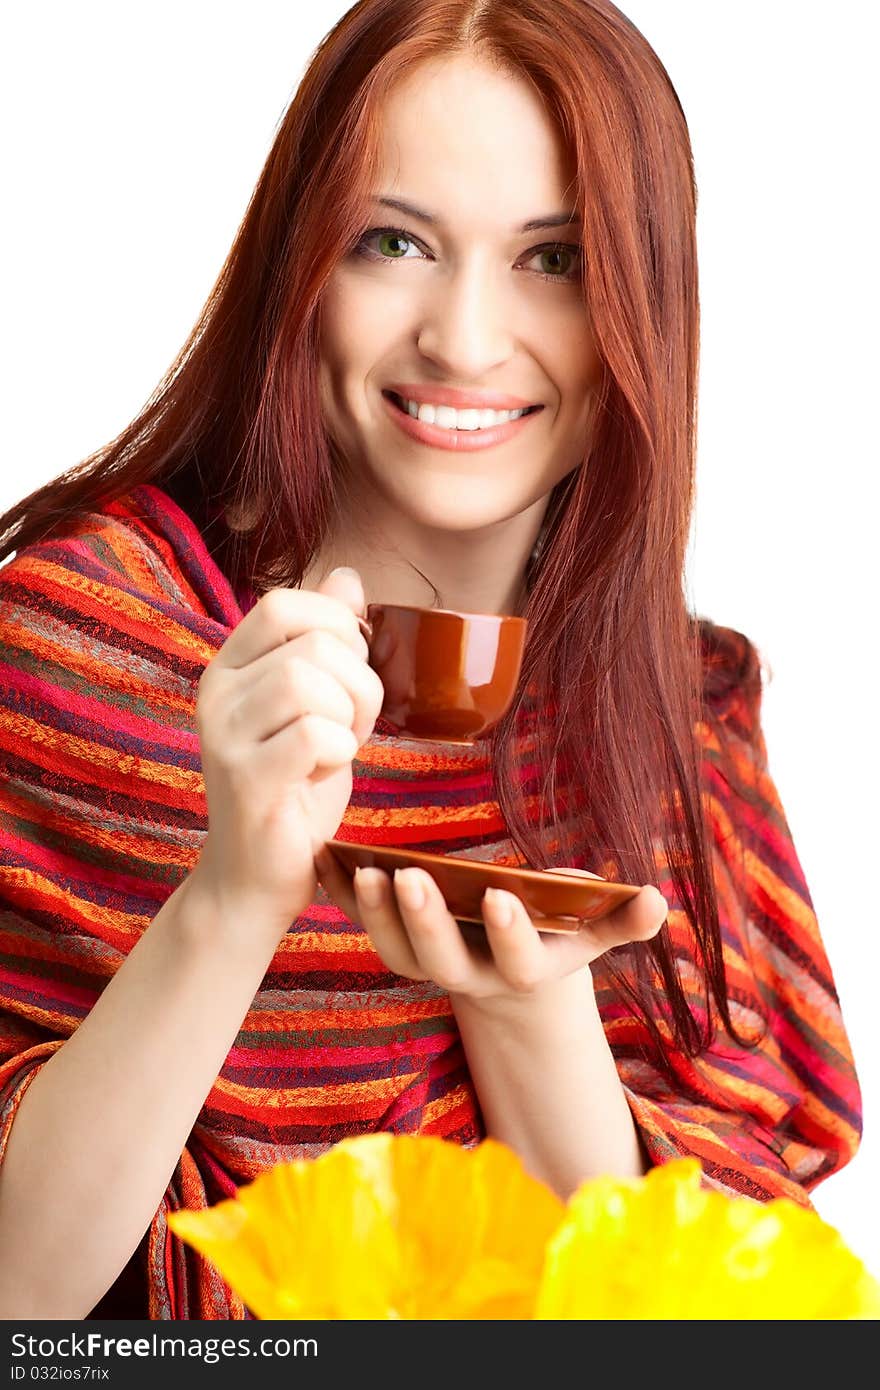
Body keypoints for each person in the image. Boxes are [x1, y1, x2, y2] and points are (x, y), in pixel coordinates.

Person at [0, 0, 861, 1321]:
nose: (464, 338)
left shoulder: (674, 712)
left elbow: (693, 1312)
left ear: (647, 298)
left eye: (551, 259)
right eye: (393, 242)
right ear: (303, 265)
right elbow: (20, 1298)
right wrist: (233, 894)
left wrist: (525, 1005)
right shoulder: (85, 633)